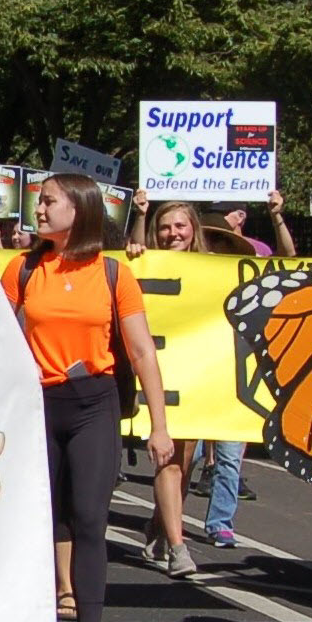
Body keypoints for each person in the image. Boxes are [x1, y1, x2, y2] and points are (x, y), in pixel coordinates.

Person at [2, 173, 171, 622]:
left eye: (49, 201)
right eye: (40, 202)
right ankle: (32, 611)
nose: (40, 209)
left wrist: (159, 425)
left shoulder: (114, 274)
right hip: (37, 404)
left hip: (94, 402)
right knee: (41, 514)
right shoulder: (22, 269)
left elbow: (141, 351)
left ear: (79, 209)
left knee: (91, 517)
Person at [121, 198, 244, 563]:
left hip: (196, 374)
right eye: (165, 227)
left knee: (184, 463)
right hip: (157, 371)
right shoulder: (143, 261)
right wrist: (140, 222)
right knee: (168, 460)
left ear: (193, 230)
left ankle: (160, 527)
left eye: (180, 226)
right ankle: (178, 546)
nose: (172, 233)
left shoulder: (213, 267)